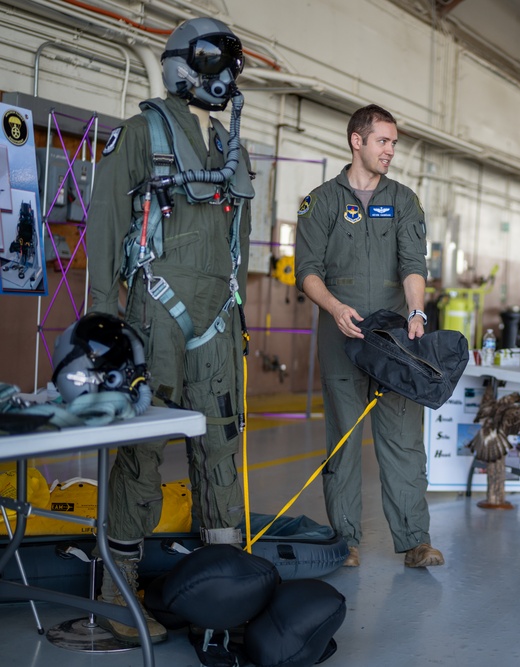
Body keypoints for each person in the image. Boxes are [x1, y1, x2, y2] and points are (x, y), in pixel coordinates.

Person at [87, 17, 253, 644]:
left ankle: (227, 589)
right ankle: (119, 592)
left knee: (220, 445)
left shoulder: (228, 147)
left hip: (218, 314)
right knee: (143, 448)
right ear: (186, 64)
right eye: (216, 61)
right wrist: (104, 320)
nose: (226, 76)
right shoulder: (141, 133)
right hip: (154, 314)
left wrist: (236, 321)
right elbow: (105, 222)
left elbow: (235, 238)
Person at [294, 104, 443, 569]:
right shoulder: (321, 202)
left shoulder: (403, 199)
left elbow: (413, 264)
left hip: (393, 339)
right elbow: (307, 272)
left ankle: (415, 540)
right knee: (343, 437)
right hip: (340, 334)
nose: (390, 151)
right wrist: (335, 308)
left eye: (394, 143)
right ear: (357, 141)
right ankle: (346, 539)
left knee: (401, 437)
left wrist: (417, 310)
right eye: (383, 141)